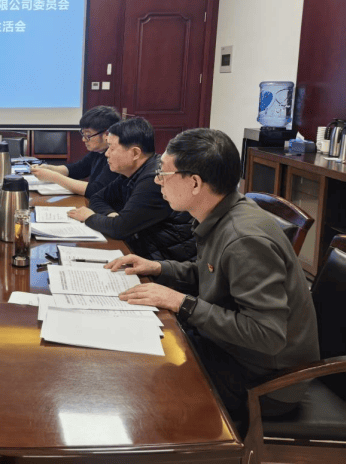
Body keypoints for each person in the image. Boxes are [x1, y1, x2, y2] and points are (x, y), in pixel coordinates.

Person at [108, 128, 319, 433]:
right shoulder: (222, 213)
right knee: (137, 353)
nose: (157, 181)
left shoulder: (244, 239)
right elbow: (211, 272)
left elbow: (267, 335)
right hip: (232, 351)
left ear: (195, 183)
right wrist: (158, 267)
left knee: (140, 386)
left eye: (163, 173)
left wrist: (181, 303)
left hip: (266, 381)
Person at [68, 117, 196, 261]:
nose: (107, 153)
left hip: (164, 260)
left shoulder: (153, 179)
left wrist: (89, 217)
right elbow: (98, 198)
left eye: (112, 148)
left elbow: (119, 229)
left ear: (135, 153)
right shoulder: (130, 172)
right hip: (145, 251)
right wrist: (112, 216)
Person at [30, 105, 121, 197]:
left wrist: (53, 177)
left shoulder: (117, 157)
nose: (83, 139)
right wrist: (49, 168)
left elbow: (96, 190)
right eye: (83, 134)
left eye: (88, 135)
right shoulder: (97, 152)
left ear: (106, 134)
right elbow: (76, 169)